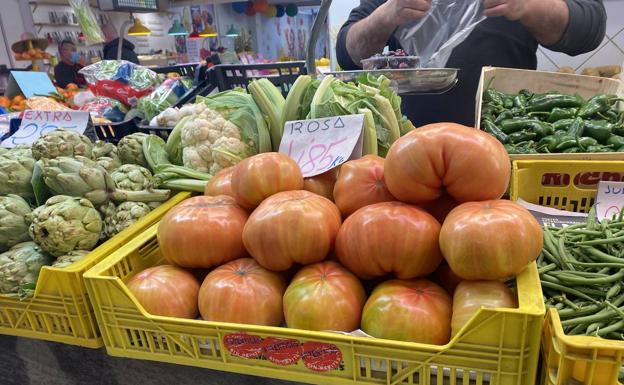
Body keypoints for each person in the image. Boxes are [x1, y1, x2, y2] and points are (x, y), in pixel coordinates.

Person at [336, 0, 607, 127]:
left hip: (507, 132)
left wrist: (528, 5)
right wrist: (388, 13)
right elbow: (348, 54)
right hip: (411, 138)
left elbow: (589, 29)